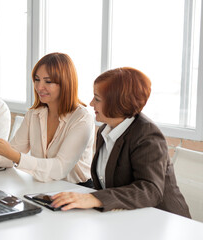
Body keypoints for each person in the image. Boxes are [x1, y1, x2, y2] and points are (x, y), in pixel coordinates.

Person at [51, 67, 191, 218]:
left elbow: (150, 190)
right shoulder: (105, 130)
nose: (91, 103)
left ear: (117, 103)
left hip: (164, 221)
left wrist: (96, 198)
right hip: (125, 217)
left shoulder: (148, 135)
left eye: (97, 99)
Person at [0, 52, 95, 185]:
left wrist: (13, 155)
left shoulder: (82, 118)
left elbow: (60, 169)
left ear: (65, 83)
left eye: (48, 81)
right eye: (37, 79)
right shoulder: (34, 114)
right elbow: (12, 154)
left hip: (77, 190)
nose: (39, 87)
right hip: (43, 188)